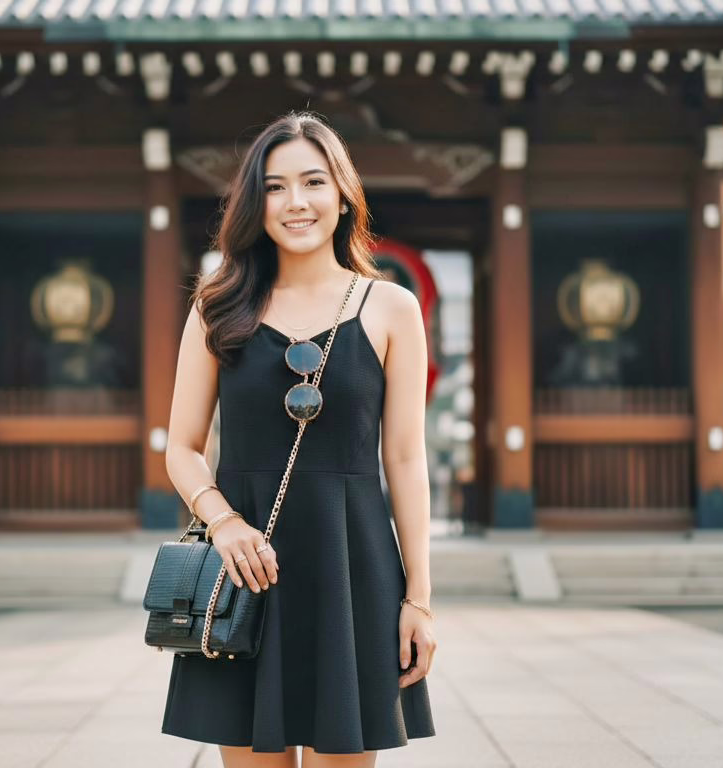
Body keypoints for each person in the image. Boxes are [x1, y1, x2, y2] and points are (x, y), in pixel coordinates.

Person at [161, 111, 437, 767]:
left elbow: (404, 459)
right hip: (243, 567)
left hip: (354, 566)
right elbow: (181, 446)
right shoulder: (218, 304)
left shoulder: (390, 308)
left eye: (313, 182)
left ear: (343, 196)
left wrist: (419, 599)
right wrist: (222, 522)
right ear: (256, 202)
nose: (296, 202)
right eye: (276, 186)